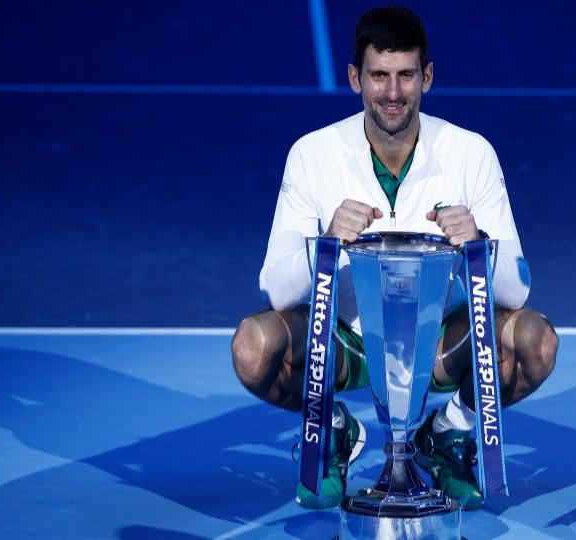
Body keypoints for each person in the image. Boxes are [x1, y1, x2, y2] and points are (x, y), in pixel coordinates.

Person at [231, 6, 558, 511]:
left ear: (427, 77)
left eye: (406, 75)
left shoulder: (472, 153)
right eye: (379, 76)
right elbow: (275, 290)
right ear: (354, 78)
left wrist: (479, 243)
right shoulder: (311, 154)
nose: (392, 92)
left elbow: (517, 290)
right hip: (345, 344)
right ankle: (333, 429)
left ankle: (447, 433)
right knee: (254, 348)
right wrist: (327, 245)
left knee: (535, 342)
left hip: (438, 346)